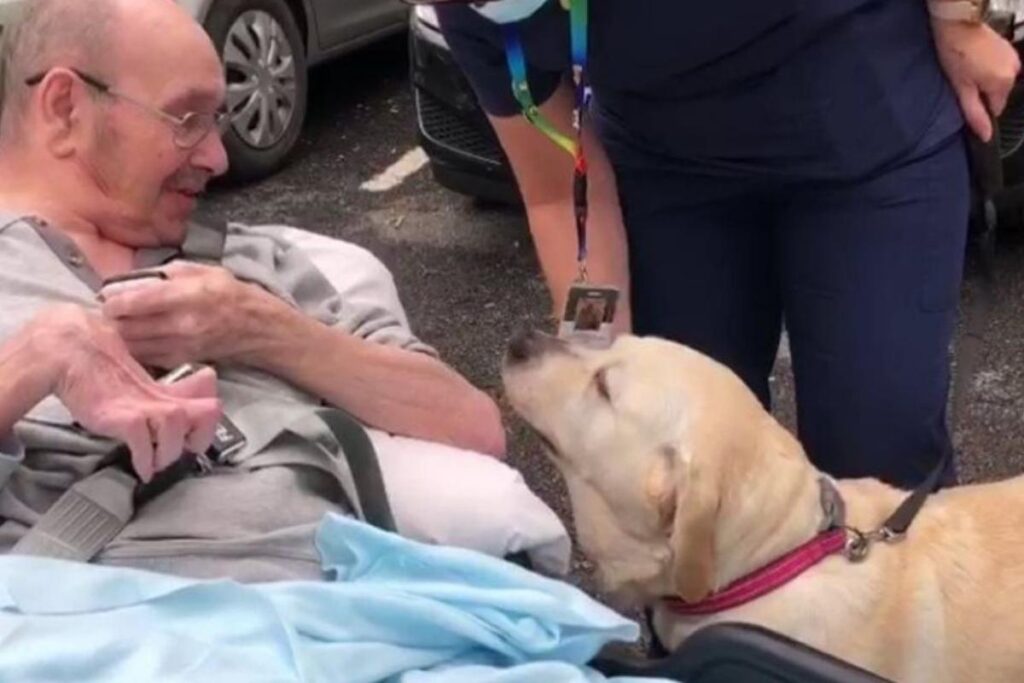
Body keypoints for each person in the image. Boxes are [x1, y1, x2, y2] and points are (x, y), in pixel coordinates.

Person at [0, 0, 570, 579]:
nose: (218, 157)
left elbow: (473, 425)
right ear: (65, 110)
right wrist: (34, 362)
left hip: (342, 622)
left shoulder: (249, 263)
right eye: (187, 119)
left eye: (216, 121)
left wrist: (260, 327)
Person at [429, 0, 1021, 488]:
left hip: (865, 132)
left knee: (878, 453)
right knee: (683, 464)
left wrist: (956, 18)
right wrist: (595, 362)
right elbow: (564, 194)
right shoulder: (479, 12)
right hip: (671, 173)